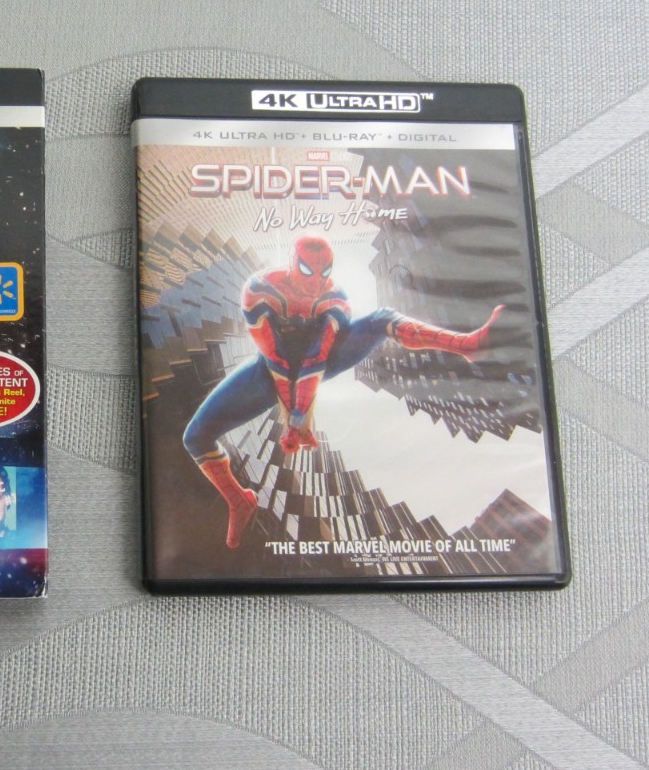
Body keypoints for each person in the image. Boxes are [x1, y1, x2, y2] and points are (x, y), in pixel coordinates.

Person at [186, 235, 502, 548]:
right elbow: (276, 359)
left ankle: (463, 344)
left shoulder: (334, 297)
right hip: (267, 369)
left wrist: (299, 419)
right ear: (292, 264)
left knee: (382, 318)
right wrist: (294, 421)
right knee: (195, 437)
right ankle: (237, 499)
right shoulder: (260, 289)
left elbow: (315, 359)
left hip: (324, 360)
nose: (315, 282)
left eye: (324, 272)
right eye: (307, 271)